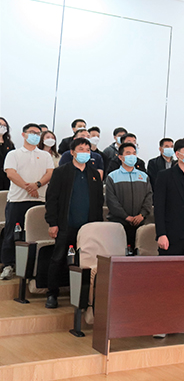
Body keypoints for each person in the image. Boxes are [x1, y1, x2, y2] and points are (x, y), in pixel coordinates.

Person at [43, 137, 103, 308]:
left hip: (88, 227)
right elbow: (51, 199)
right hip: (65, 224)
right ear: (72, 152)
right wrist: (52, 223)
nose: (85, 152)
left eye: (87, 150)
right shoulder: (61, 172)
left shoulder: (94, 174)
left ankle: (82, 296)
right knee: (58, 259)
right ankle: (52, 294)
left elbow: (99, 201)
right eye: (81, 149)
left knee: (86, 261)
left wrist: (97, 226)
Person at [1, 124, 53, 279]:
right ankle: (8, 265)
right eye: (32, 132)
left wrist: (37, 185)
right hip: (18, 199)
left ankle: (31, 268)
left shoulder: (45, 155)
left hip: (39, 200)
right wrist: (28, 187)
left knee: (34, 235)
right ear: (23, 135)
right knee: (11, 233)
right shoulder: (14, 154)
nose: (36, 135)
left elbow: (50, 173)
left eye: (38, 133)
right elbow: (10, 173)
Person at [105, 142, 153, 248]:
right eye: (128, 153)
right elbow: (111, 200)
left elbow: (148, 197)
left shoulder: (143, 176)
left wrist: (141, 215)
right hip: (119, 223)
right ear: (120, 157)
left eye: (134, 153)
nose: (132, 156)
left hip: (140, 223)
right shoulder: (112, 176)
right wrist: (126, 217)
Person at [0, 117, 13, 191]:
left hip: (6, 176)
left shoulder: (9, 144)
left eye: (4, 125)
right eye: (0, 124)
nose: (2, 127)